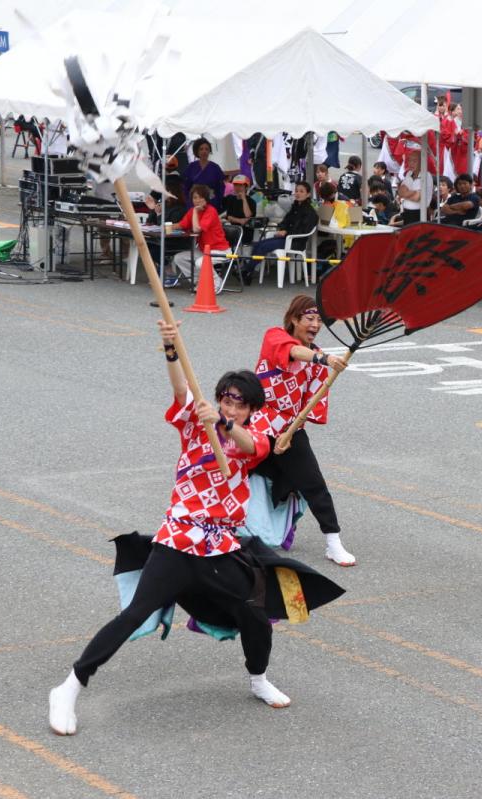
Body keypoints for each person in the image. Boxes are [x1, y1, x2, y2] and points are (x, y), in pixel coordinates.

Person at [47, 319, 342, 736]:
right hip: (179, 542)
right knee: (134, 614)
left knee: (255, 613)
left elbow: (249, 445)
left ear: (251, 409)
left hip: (222, 547)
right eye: (226, 400)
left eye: (240, 403)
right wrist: (171, 349)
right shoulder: (194, 425)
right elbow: (180, 391)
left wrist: (224, 425)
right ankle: (70, 686)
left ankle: (257, 678)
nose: (231, 406)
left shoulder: (254, 433)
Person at [250, 295, 355, 566]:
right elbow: (295, 352)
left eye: (319, 320)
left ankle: (333, 542)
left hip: (289, 427)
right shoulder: (275, 337)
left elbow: (310, 402)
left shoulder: (317, 358)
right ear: (294, 319)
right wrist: (324, 359)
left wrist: (292, 431)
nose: (315, 324)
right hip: (258, 423)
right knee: (236, 475)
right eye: (309, 318)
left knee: (310, 483)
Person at [246, 182, 318, 284]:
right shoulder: (295, 207)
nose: (298, 193)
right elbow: (284, 221)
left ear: (308, 194)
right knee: (258, 244)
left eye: (301, 191)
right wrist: (283, 229)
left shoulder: (310, 212)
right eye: (296, 191)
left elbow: (304, 230)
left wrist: (286, 232)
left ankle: (246, 271)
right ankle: (248, 271)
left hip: (295, 241)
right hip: (286, 238)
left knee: (263, 247)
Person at [170, 185, 232, 287]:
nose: (197, 200)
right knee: (178, 258)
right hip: (204, 250)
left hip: (220, 250)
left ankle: (216, 283)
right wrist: (165, 226)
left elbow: (196, 229)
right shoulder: (192, 211)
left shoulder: (210, 211)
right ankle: (200, 281)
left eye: (200, 197)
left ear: (206, 198)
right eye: (195, 198)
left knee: (200, 262)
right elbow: (181, 225)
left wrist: (195, 211)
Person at [182, 138, 226, 212]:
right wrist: (189, 202)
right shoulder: (191, 167)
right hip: (194, 203)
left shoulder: (215, 167)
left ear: (209, 151)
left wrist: (217, 202)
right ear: (197, 151)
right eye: (201, 149)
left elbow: (220, 188)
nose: (204, 151)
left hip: (211, 202)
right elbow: (185, 187)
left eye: (206, 149)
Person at [396, 147, 432, 225]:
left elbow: (417, 197)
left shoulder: (426, 176)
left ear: (421, 162)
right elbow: (400, 192)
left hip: (419, 214)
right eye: (409, 160)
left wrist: (406, 193)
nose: (411, 163)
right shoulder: (409, 173)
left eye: (414, 161)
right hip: (407, 213)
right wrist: (412, 193)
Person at [223, 174, 257, 242]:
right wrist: (240, 220)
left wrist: (244, 199)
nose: (237, 187)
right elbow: (229, 217)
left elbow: (248, 216)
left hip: (246, 232)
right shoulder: (230, 199)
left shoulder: (251, 201)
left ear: (246, 187)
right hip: (232, 230)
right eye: (235, 185)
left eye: (240, 185)